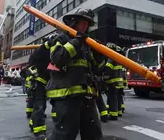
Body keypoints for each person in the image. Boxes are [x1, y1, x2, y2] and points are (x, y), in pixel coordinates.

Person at [46, 9, 105, 140]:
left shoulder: (87, 45)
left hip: (87, 96)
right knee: (65, 135)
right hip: (66, 97)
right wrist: (76, 42)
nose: (85, 26)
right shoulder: (61, 39)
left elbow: (97, 69)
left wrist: (99, 55)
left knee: (93, 134)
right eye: (82, 22)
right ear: (74, 23)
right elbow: (58, 58)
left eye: (87, 24)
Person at [27, 33, 58, 139]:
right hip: (39, 82)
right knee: (39, 106)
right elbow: (30, 66)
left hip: (50, 82)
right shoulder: (40, 51)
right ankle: (39, 131)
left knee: (46, 105)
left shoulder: (54, 53)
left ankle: (34, 123)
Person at [104, 43, 124, 120]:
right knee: (118, 97)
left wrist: (105, 77)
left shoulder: (111, 58)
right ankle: (119, 112)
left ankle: (113, 114)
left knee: (112, 98)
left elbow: (108, 69)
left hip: (113, 82)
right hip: (119, 82)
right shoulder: (119, 58)